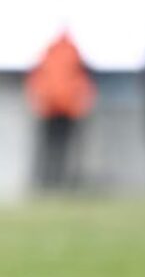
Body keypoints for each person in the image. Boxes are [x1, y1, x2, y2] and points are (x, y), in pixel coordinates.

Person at [25, 29, 94, 190]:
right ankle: (61, 181)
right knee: (65, 148)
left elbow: (37, 79)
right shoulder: (74, 53)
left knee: (48, 147)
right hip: (68, 108)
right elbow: (84, 80)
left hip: (50, 108)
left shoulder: (48, 52)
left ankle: (46, 181)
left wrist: (38, 101)